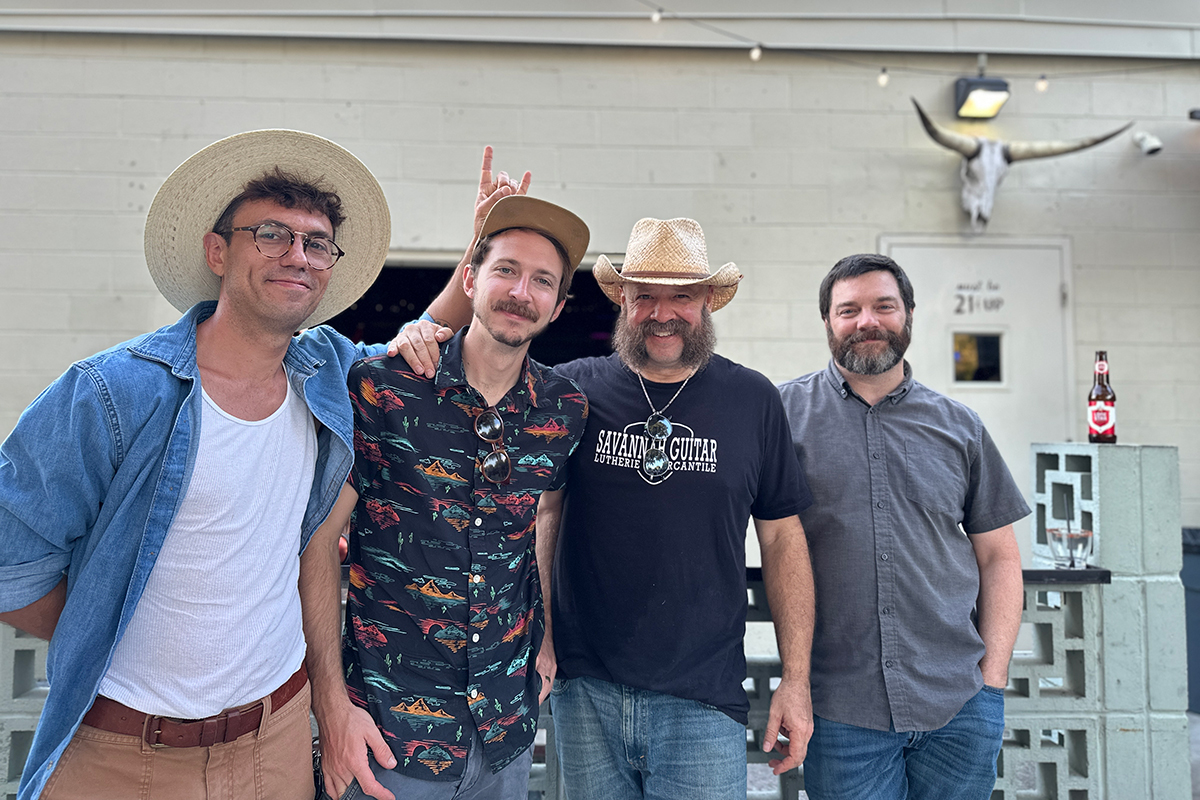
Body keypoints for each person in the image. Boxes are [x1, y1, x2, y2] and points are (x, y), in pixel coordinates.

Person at [0, 129, 398, 800]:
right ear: (218, 251)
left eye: (315, 242)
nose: (296, 255)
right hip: (119, 753)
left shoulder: (326, 374)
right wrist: (105, 622)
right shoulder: (111, 393)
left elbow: (420, 352)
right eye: (270, 234)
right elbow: (10, 560)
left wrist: (473, 265)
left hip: (273, 745)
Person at [396, 213, 816, 800]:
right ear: (622, 300)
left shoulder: (753, 400)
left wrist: (795, 681)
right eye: (644, 296)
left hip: (704, 699)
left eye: (682, 297)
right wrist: (421, 331)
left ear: (708, 304)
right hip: (584, 688)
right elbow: (545, 511)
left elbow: (782, 538)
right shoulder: (572, 392)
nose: (662, 312)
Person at [306, 192, 591, 800]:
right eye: (506, 270)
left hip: (503, 733)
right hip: (388, 731)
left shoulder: (563, 408)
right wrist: (330, 707)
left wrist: (543, 638)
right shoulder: (384, 388)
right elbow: (314, 549)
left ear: (559, 306)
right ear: (471, 277)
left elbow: (541, 515)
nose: (521, 292)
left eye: (542, 281)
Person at [776, 253, 1028, 800]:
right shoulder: (781, 416)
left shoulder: (960, 427)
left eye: (883, 306)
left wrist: (992, 683)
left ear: (908, 315)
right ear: (827, 322)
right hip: (841, 707)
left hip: (958, 703)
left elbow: (999, 556)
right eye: (849, 310)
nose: (867, 321)